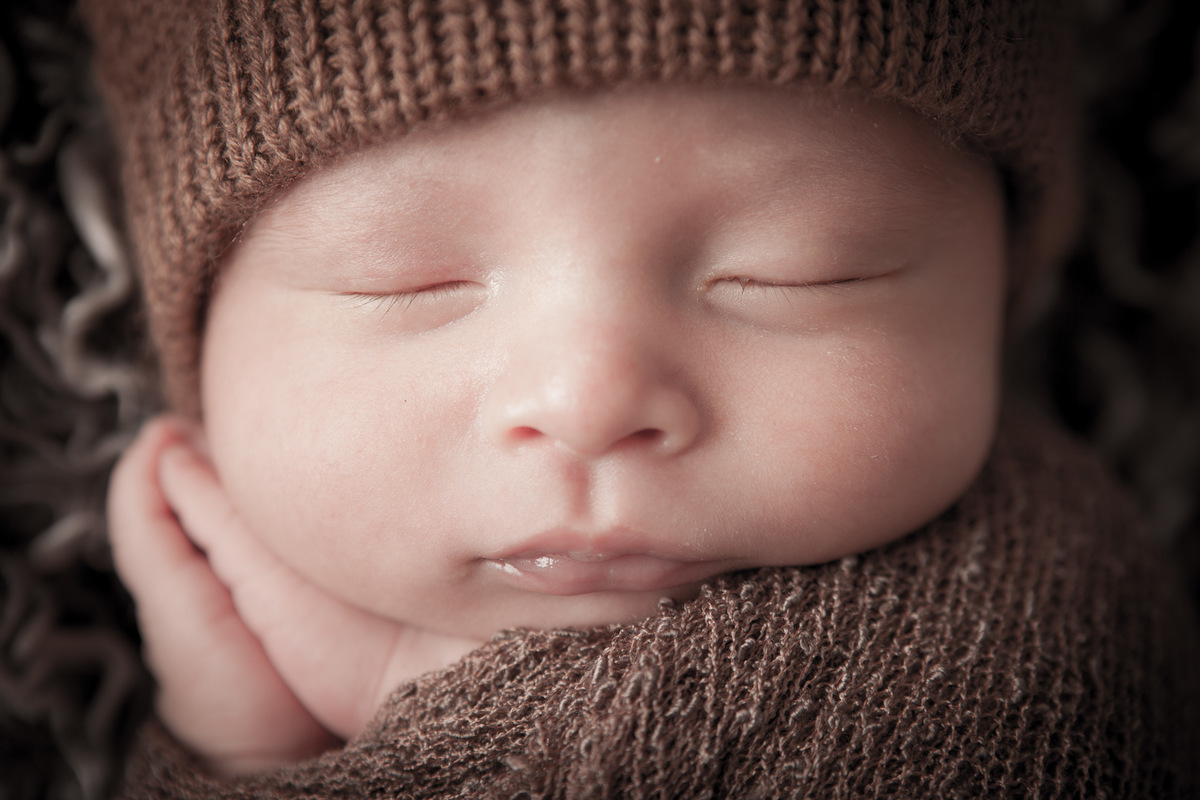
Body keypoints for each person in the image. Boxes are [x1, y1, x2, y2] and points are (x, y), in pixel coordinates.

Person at [81, 0, 1200, 796]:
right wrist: (248, 752)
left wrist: (372, 706)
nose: (589, 400)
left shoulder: (1050, 600)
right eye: (405, 279)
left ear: (1000, 292)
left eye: (796, 270)